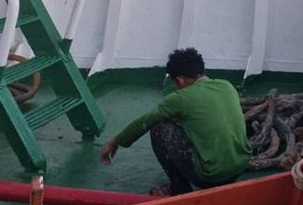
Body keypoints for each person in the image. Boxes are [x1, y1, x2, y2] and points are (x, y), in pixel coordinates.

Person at [99, 48, 251, 196]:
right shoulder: (227, 86)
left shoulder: (181, 98)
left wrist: (115, 141)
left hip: (211, 176)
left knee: (160, 129)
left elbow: (145, 122)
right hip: (240, 167)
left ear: (180, 80)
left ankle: (179, 188)